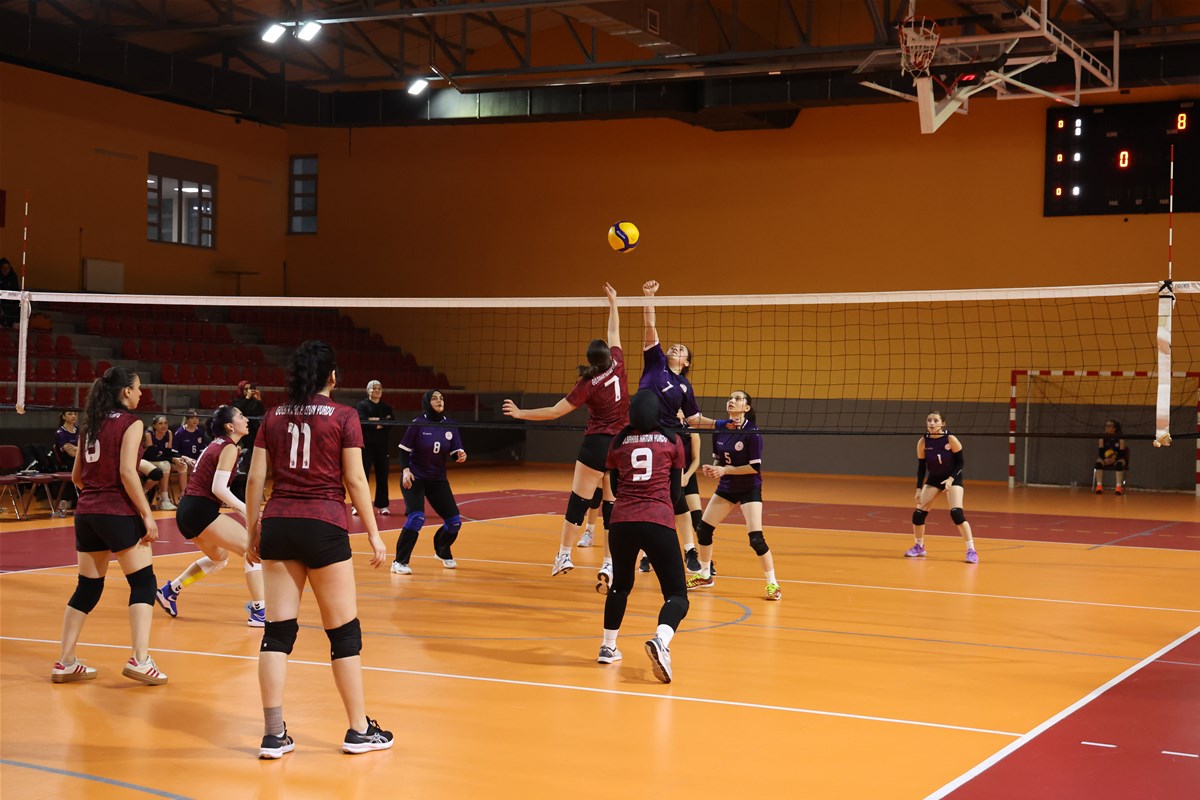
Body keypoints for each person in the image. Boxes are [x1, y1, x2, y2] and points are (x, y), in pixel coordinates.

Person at [245, 340, 392, 759]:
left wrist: (253, 531)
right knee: (343, 633)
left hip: (279, 523)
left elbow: (254, 479)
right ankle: (359, 730)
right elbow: (356, 480)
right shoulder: (345, 415)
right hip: (324, 524)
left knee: (277, 632)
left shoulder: (272, 415)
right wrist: (374, 534)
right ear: (332, 376)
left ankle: (274, 735)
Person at [502, 283, 627, 589]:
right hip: (621, 446)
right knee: (611, 507)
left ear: (590, 360)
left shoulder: (586, 384)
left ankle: (564, 554)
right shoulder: (619, 364)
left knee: (578, 501)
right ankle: (610, 562)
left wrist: (520, 413)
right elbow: (614, 331)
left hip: (596, 445)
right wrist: (613, 304)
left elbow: (554, 412)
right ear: (608, 356)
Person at [51, 366, 168, 686]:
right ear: (126, 391)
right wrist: (146, 514)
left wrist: (96, 491)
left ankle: (65, 661)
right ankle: (140, 660)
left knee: (87, 588)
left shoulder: (90, 423)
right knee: (143, 583)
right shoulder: (131, 423)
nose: (141, 393)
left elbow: (76, 477)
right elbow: (128, 472)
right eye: (138, 388)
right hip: (116, 510)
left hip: (87, 513)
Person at [639, 279, 736, 574]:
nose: (675, 347)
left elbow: (694, 419)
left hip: (669, 442)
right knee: (645, 499)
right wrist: (649, 297)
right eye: (674, 346)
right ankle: (646, 552)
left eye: (681, 349)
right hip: (642, 437)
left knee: (676, 500)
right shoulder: (655, 363)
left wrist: (721, 423)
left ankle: (688, 550)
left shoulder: (684, 386)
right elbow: (650, 326)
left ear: (686, 362)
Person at [597, 389, 689, 684]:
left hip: (622, 522)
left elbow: (614, 485)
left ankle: (608, 647)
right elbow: (676, 492)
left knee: (620, 586)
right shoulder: (673, 440)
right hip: (658, 519)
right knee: (677, 594)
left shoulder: (618, 441)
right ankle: (661, 640)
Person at [155, 405, 265, 627]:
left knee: (219, 559)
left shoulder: (217, 444)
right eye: (241, 416)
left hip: (188, 511)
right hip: (200, 510)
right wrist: (248, 510)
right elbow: (219, 488)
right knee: (252, 551)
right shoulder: (228, 447)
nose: (246, 419)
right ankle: (259, 612)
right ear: (230, 426)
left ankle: (170, 591)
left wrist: (243, 512)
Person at [686, 391, 782, 600]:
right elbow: (720, 460)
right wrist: (714, 468)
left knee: (756, 539)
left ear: (746, 408)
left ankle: (773, 584)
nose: (732, 401)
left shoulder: (752, 433)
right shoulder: (720, 429)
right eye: (730, 398)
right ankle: (705, 574)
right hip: (727, 487)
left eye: (738, 399)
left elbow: (754, 468)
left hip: (749, 488)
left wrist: (725, 470)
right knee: (703, 530)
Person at [391, 390, 467, 574]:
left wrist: (460, 455)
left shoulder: (450, 425)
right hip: (415, 477)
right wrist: (406, 471)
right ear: (427, 402)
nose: (439, 401)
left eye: (441, 398)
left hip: (437, 479)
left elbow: (455, 451)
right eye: (434, 398)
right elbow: (403, 450)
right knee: (416, 518)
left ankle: (442, 549)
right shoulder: (418, 424)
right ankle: (399, 562)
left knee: (454, 522)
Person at [903, 411, 978, 564]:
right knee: (918, 514)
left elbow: (960, 463)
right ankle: (919, 546)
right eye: (929, 420)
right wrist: (918, 489)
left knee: (957, 514)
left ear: (943, 423)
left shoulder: (951, 439)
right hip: (934, 479)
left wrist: (951, 479)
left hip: (952, 478)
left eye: (936, 420)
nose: (932, 423)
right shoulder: (923, 442)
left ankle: (971, 550)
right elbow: (921, 467)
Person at [355, 380, 395, 516]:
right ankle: (358, 505)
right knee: (362, 476)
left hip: (382, 446)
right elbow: (362, 423)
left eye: (379, 388)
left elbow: (390, 423)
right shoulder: (361, 405)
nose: (377, 390)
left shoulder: (387, 407)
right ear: (368, 391)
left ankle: (382, 505)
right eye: (374, 388)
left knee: (382, 476)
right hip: (365, 446)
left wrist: (372, 420)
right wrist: (381, 421)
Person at [230, 380, 265, 501]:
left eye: (250, 389)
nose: (248, 391)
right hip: (240, 436)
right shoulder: (236, 402)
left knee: (251, 464)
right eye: (246, 389)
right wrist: (247, 398)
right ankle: (237, 492)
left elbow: (261, 413)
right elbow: (240, 411)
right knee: (241, 465)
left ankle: (249, 492)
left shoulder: (254, 402)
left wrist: (259, 400)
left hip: (252, 434)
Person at [142, 415, 177, 510]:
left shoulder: (169, 433)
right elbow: (152, 456)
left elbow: (168, 453)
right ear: (154, 426)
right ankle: (165, 500)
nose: (164, 425)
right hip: (146, 461)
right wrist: (172, 459)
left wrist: (178, 459)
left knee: (182, 466)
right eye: (160, 423)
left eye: (166, 423)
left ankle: (182, 496)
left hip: (160, 461)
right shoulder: (149, 434)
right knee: (165, 465)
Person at [172, 409, 207, 502]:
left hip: (195, 460)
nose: (195, 420)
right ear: (187, 419)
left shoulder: (200, 433)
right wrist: (186, 458)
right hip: (182, 459)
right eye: (192, 418)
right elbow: (174, 452)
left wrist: (198, 461)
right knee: (183, 466)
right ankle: (183, 495)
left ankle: (200, 495)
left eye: (197, 418)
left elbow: (202, 450)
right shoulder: (180, 432)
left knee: (203, 466)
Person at [53, 409, 80, 511]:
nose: (73, 416)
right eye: (70, 414)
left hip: (80, 459)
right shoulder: (60, 433)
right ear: (64, 416)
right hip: (68, 463)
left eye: (75, 414)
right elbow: (71, 453)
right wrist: (80, 449)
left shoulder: (79, 431)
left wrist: (76, 448)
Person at [1093, 418, 1128, 495]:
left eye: (1109, 426)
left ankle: (1118, 487)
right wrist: (1105, 459)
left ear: (1114, 428)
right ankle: (1099, 486)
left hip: (1117, 458)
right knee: (1098, 463)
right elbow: (1100, 452)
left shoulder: (1120, 438)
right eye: (1106, 426)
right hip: (1105, 458)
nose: (1106, 427)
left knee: (1119, 464)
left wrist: (1114, 459)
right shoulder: (1102, 437)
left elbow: (1122, 453)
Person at [0, 257, 18, 328]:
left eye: (8, 268)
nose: (5, 270)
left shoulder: (13, 276)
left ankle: (12, 322)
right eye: (3, 268)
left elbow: (16, 291)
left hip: (10, 302)